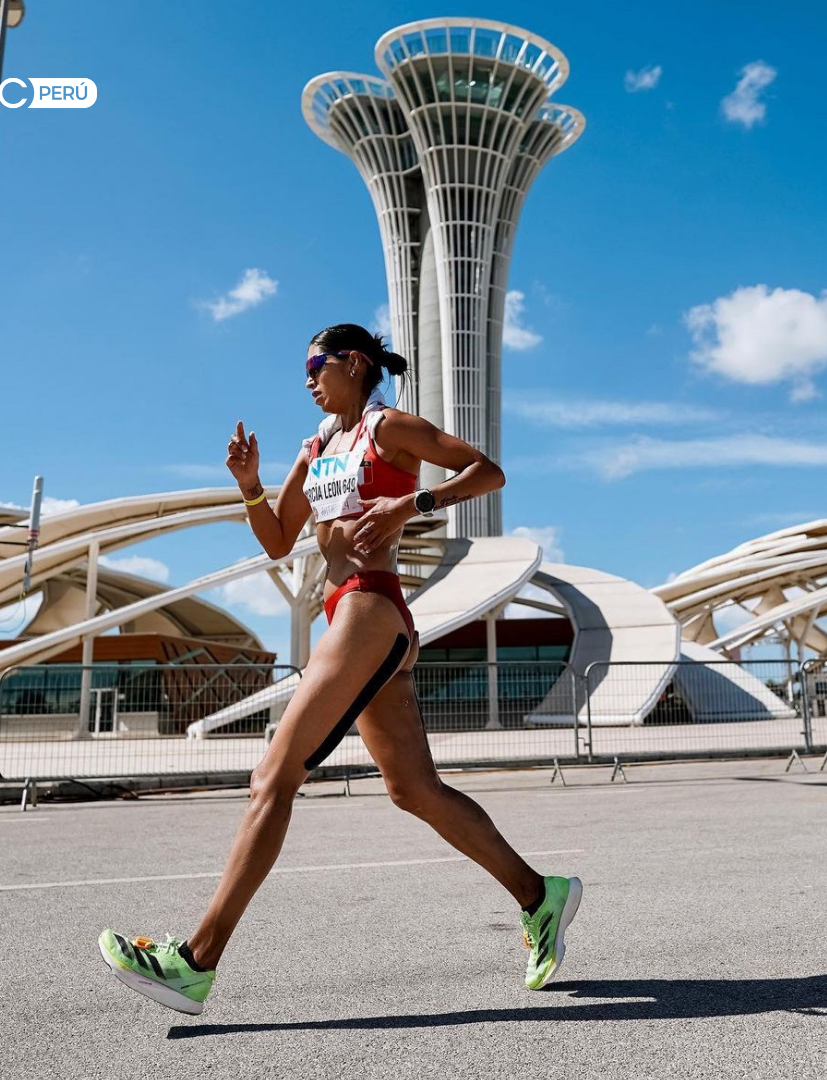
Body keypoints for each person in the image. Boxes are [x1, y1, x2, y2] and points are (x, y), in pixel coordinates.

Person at [98, 324, 582, 1014]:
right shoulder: (318, 445)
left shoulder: (391, 429)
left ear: (355, 364)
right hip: (343, 611)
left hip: (371, 609)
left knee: (274, 776)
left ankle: (195, 962)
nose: (307, 380)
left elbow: (487, 470)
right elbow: (276, 539)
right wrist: (250, 487)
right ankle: (541, 897)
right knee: (414, 790)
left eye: (316, 366)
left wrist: (412, 503)